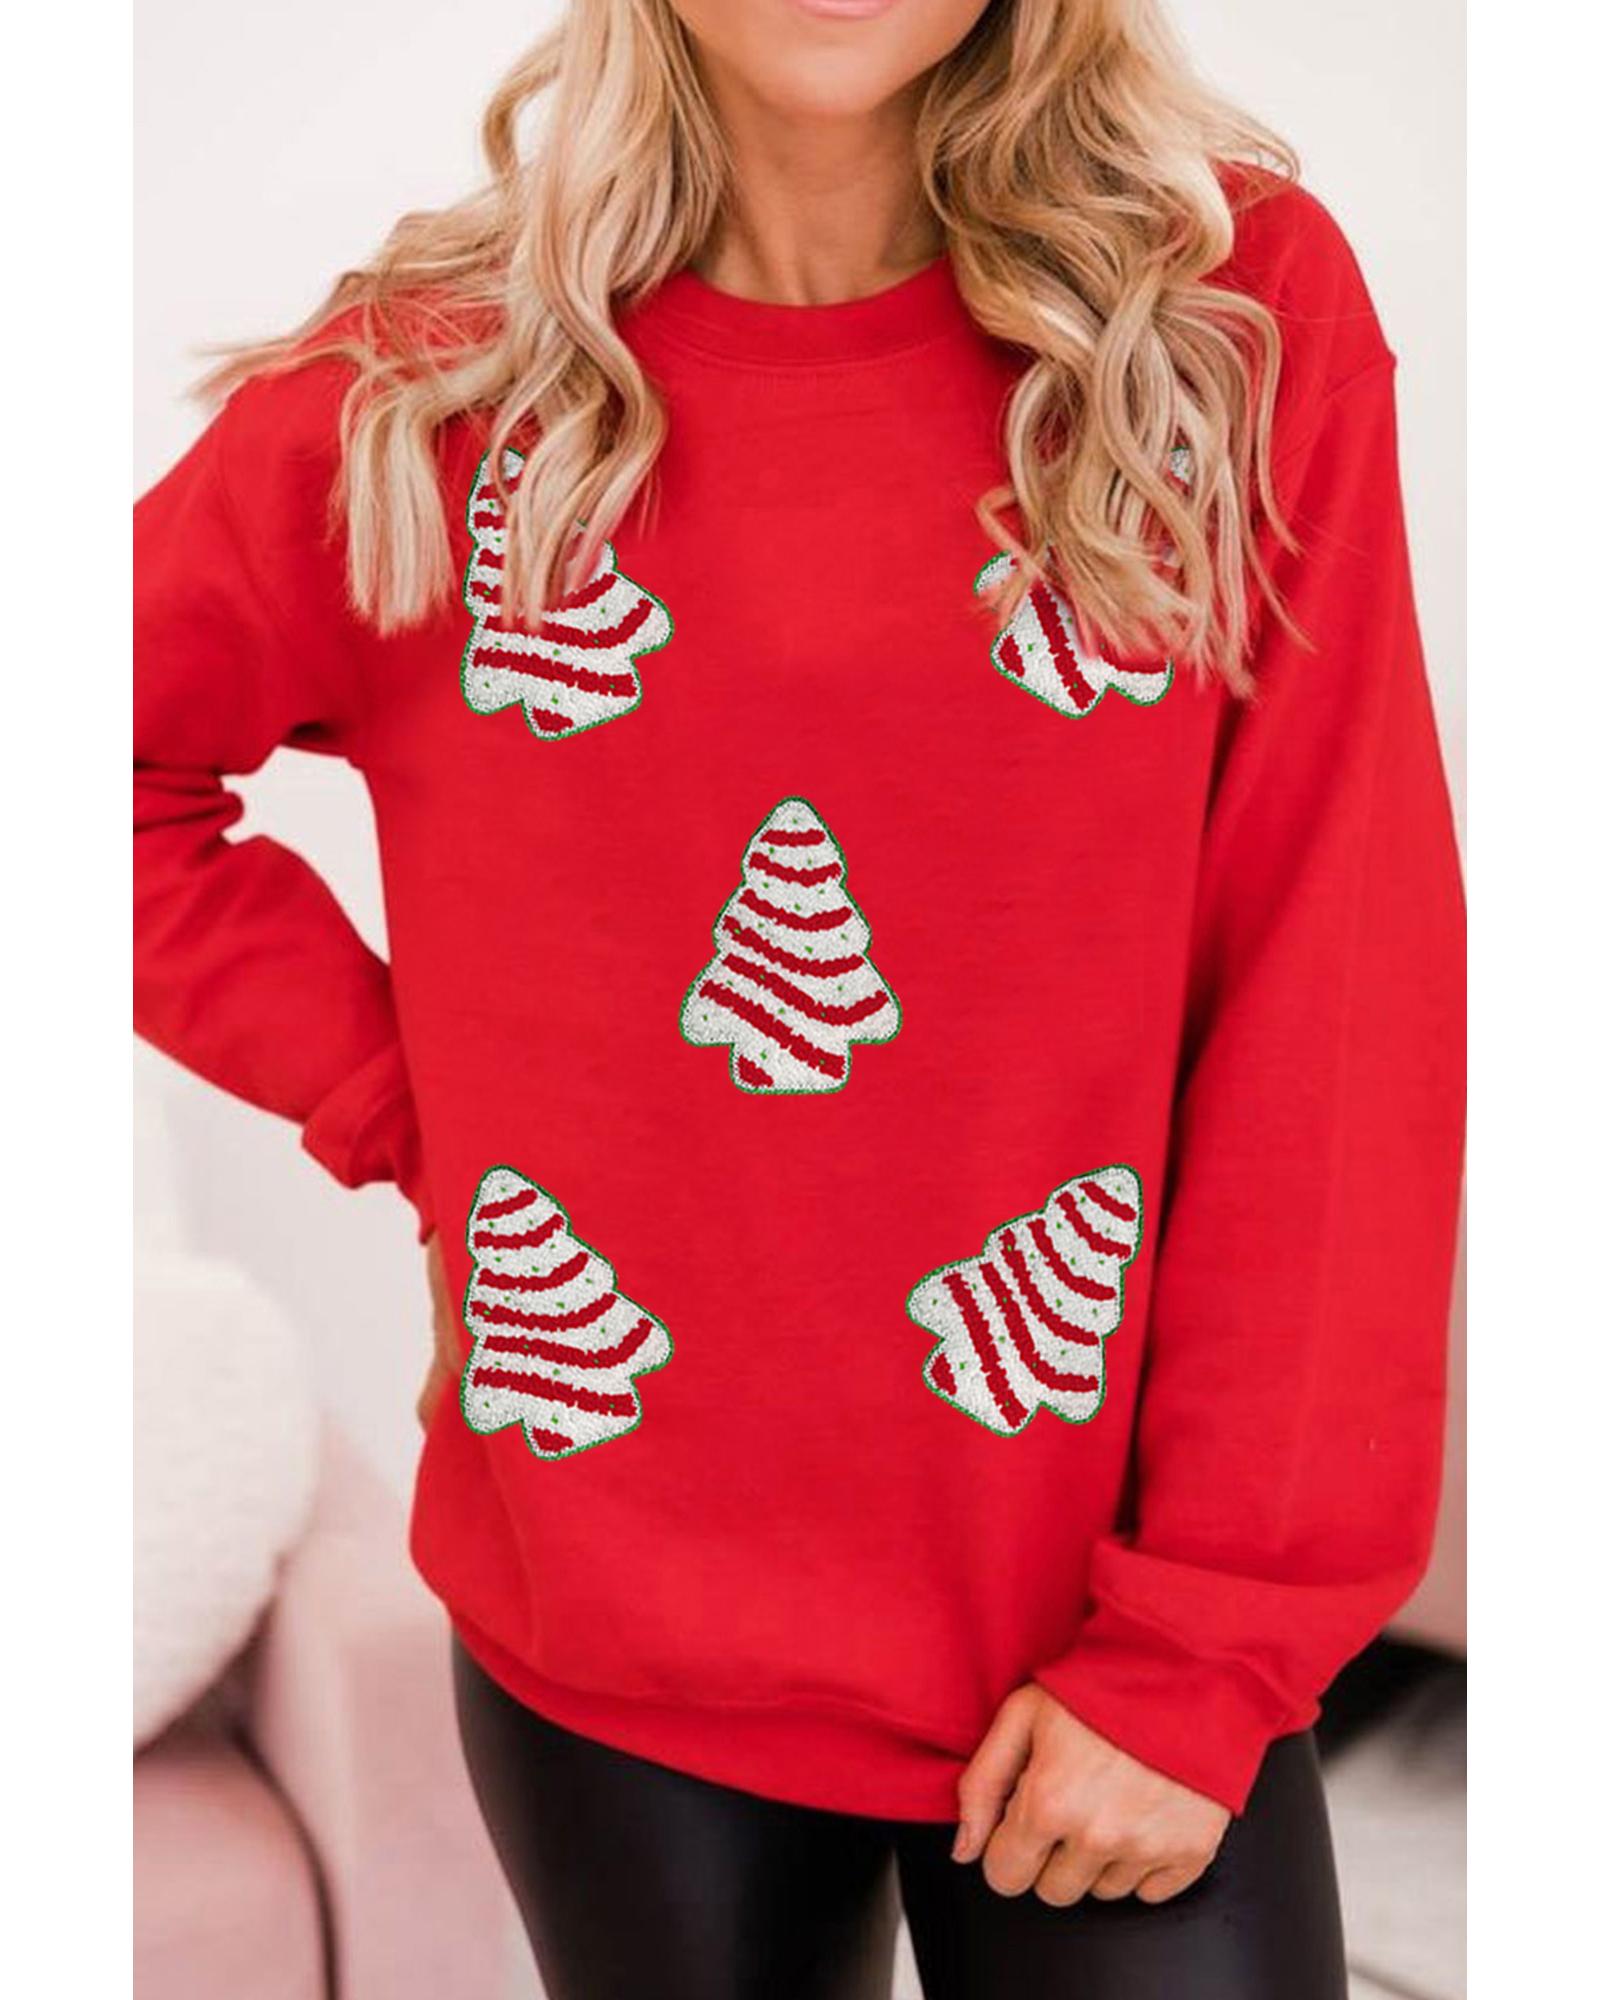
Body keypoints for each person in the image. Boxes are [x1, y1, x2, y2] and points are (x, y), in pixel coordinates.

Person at [133, 2, 1465, 1995]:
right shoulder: (430, 386)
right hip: (613, 1634)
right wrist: (429, 1120)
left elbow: (1334, 995)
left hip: (1100, 1611)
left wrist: (1211, 1638)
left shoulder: (1225, 317)